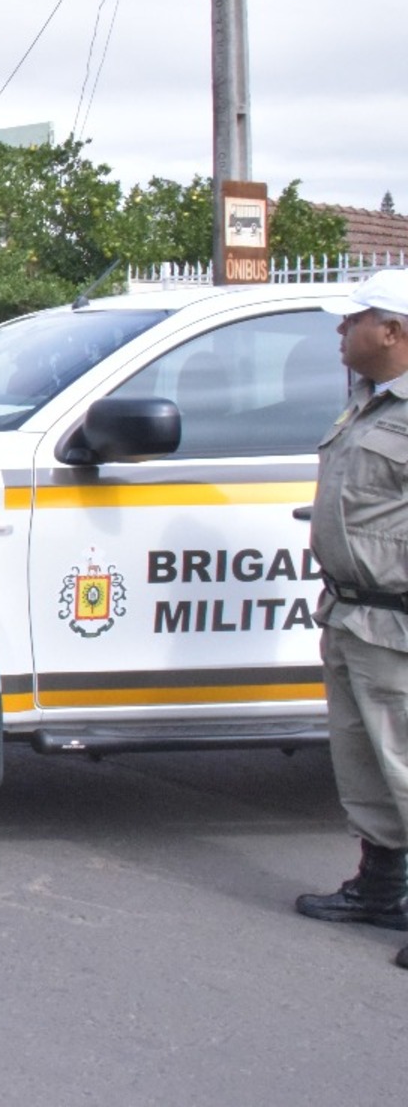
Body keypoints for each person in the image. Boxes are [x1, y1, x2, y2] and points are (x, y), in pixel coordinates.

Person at [299, 269, 408, 970]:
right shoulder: (367, 403)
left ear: (392, 331)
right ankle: (381, 888)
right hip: (350, 613)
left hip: (397, 624)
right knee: (364, 766)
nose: (341, 329)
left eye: (354, 319)